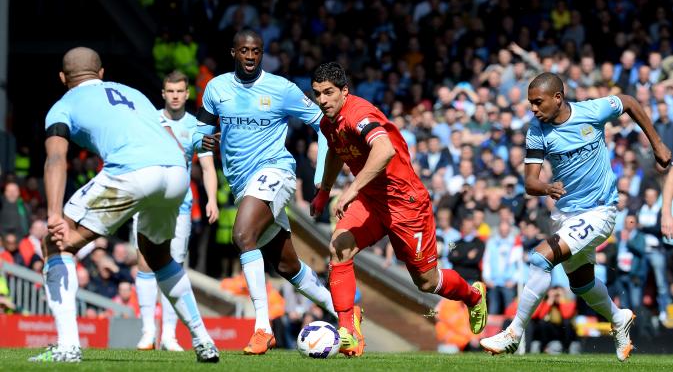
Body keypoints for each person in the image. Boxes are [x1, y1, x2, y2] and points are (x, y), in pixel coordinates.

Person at [30, 47, 218, 363]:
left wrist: (52, 213)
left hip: (132, 173)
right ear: (101, 73)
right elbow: (167, 136)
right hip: (176, 173)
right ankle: (203, 341)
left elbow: (56, 158)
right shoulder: (132, 93)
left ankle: (67, 347)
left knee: (54, 244)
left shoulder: (63, 105)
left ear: (64, 78)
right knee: (159, 256)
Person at [480, 72, 671, 362]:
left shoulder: (592, 111)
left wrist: (657, 144)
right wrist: (545, 186)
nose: (533, 108)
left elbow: (630, 102)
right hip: (569, 216)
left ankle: (514, 332)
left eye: (537, 102)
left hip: (601, 210)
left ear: (558, 98)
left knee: (539, 258)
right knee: (581, 284)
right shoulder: (536, 131)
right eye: (531, 103)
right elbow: (531, 183)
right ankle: (618, 318)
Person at [309, 62, 487, 358]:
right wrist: (323, 191)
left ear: (344, 91)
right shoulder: (329, 123)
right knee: (339, 247)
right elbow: (336, 153)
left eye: (329, 93)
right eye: (317, 94)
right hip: (371, 201)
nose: (323, 100)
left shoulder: (359, 113)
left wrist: (351, 189)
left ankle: (473, 295)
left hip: (405, 203)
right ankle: (347, 332)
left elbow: (384, 150)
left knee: (426, 282)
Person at [197, 29, 335, 355]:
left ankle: (262, 328)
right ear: (234, 52)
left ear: (262, 54)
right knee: (288, 266)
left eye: (256, 51)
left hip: (276, 172)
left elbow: (325, 126)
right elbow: (201, 131)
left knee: (242, 234)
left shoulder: (281, 88)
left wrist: (320, 180)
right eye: (244, 50)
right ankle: (345, 312)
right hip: (242, 185)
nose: (249, 56)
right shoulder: (216, 88)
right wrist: (201, 141)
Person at [134, 70, 219, 352]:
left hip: (180, 205)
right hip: (148, 201)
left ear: (186, 93)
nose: (175, 96)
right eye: (170, 91)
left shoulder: (197, 127)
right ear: (163, 94)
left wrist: (211, 200)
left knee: (174, 264)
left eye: (180, 91)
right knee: (145, 262)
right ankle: (147, 332)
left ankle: (169, 335)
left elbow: (207, 167)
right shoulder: (150, 121)